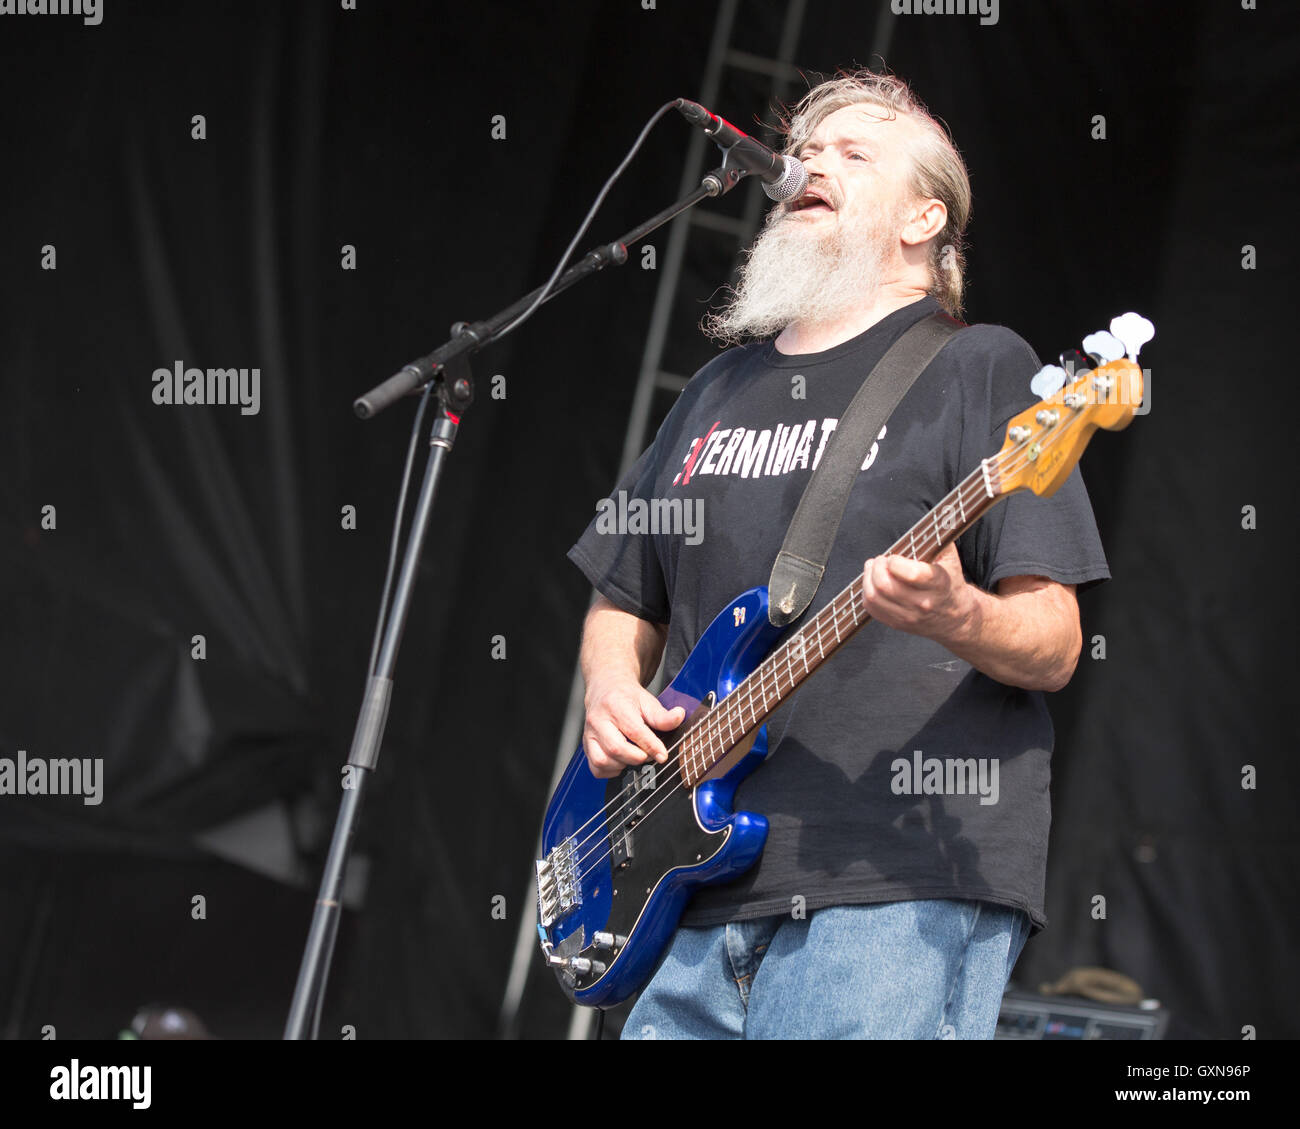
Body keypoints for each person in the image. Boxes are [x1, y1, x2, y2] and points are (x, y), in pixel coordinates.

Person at [565, 70, 1111, 1039]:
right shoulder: (718, 387)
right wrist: (611, 692)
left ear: (922, 218)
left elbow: (1055, 641)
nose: (811, 162)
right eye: (806, 150)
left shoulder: (979, 366)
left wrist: (958, 614)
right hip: (680, 891)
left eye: (853, 153)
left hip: (891, 883)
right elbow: (624, 596)